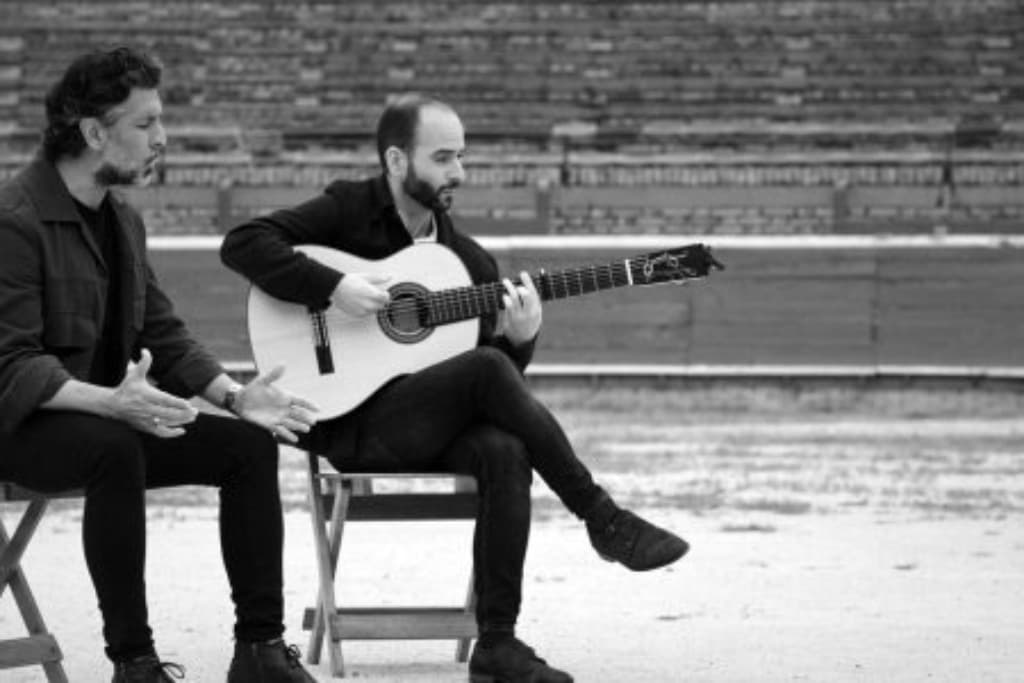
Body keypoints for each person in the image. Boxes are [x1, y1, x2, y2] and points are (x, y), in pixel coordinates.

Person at [220, 93, 688, 683]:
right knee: (487, 375)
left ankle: (496, 645)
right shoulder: (347, 208)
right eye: (443, 158)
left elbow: (495, 394)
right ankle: (602, 518)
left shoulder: (465, 262)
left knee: (503, 447)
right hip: (346, 423)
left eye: (461, 157)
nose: (458, 173)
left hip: (420, 427)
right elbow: (241, 244)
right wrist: (333, 287)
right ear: (396, 160)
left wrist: (521, 340)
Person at [0, 47, 321, 683]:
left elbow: (161, 334)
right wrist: (109, 403)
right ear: (94, 133)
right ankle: (135, 663)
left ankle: (259, 652)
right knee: (114, 446)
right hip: (20, 428)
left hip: (106, 419)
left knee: (247, 449)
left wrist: (233, 396)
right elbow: (10, 365)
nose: (161, 139)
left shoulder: (122, 219)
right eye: (145, 124)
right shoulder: (15, 221)